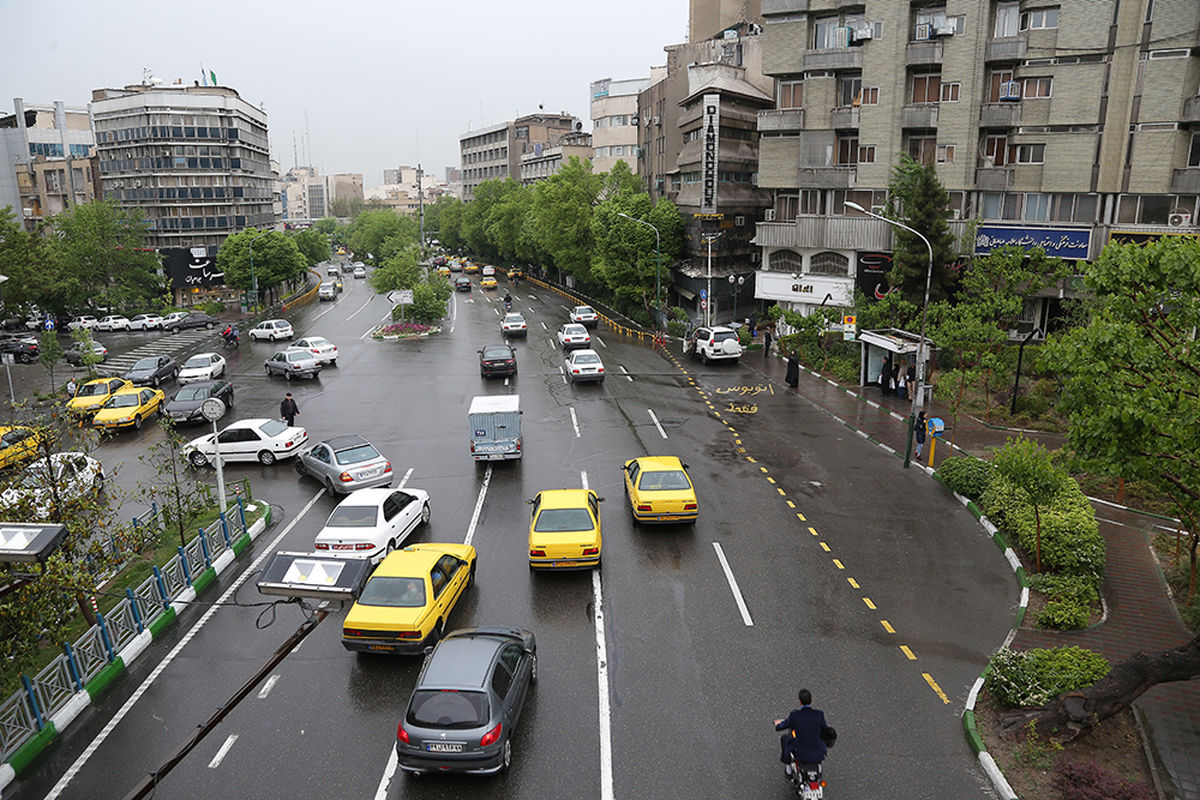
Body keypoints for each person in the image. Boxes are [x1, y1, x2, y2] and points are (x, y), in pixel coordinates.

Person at [775, 688, 831, 775]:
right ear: (811, 700)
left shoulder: (795, 715)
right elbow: (825, 729)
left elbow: (782, 726)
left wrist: (778, 724)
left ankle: (788, 768)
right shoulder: (819, 714)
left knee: (784, 739)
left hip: (801, 752)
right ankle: (818, 767)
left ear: (800, 702)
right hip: (817, 751)